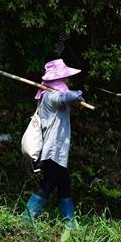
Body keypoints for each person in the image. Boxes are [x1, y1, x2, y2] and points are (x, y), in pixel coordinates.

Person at [23, 59, 86, 227]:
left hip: (58, 151)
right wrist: (77, 95)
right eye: (65, 78)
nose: (67, 80)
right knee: (48, 184)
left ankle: (70, 225)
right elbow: (67, 96)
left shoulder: (50, 95)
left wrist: (76, 100)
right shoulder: (51, 96)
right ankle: (27, 220)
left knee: (64, 185)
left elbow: (67, 99)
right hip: (52, 151)